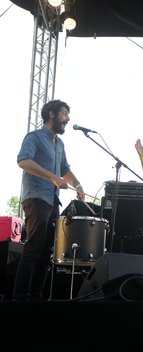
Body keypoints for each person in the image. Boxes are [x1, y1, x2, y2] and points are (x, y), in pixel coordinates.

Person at [13, 99, 86, 300]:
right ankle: (19, 298)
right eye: (64, 114)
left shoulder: (59, 143)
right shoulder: (34, 137)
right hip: (36, 198)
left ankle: (36, 298)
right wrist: (52, 177)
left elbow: (65, 170)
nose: (68, 119)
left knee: (47, 252)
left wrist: (78, 185)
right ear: (52, 114)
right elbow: (23, 161)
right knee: (34, 246)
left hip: (52, 201)